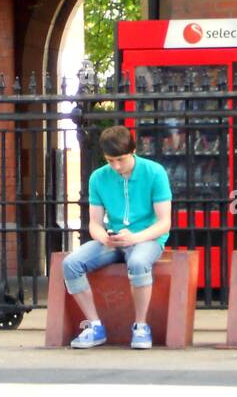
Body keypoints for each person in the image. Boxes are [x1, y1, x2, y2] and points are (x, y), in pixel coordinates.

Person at [63, 125, 173, 349]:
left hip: (147, 238)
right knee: (71, 264)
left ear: (133, 151)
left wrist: (135, 238)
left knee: (139, 261)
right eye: (110, 160)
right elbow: (94, 223)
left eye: (120, 159)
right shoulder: (98, 178)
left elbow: (164, 223)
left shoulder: (154, 172)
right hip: (113, 240)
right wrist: (104, 237)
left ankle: (141, 326)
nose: (115, 166)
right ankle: (94, 326)